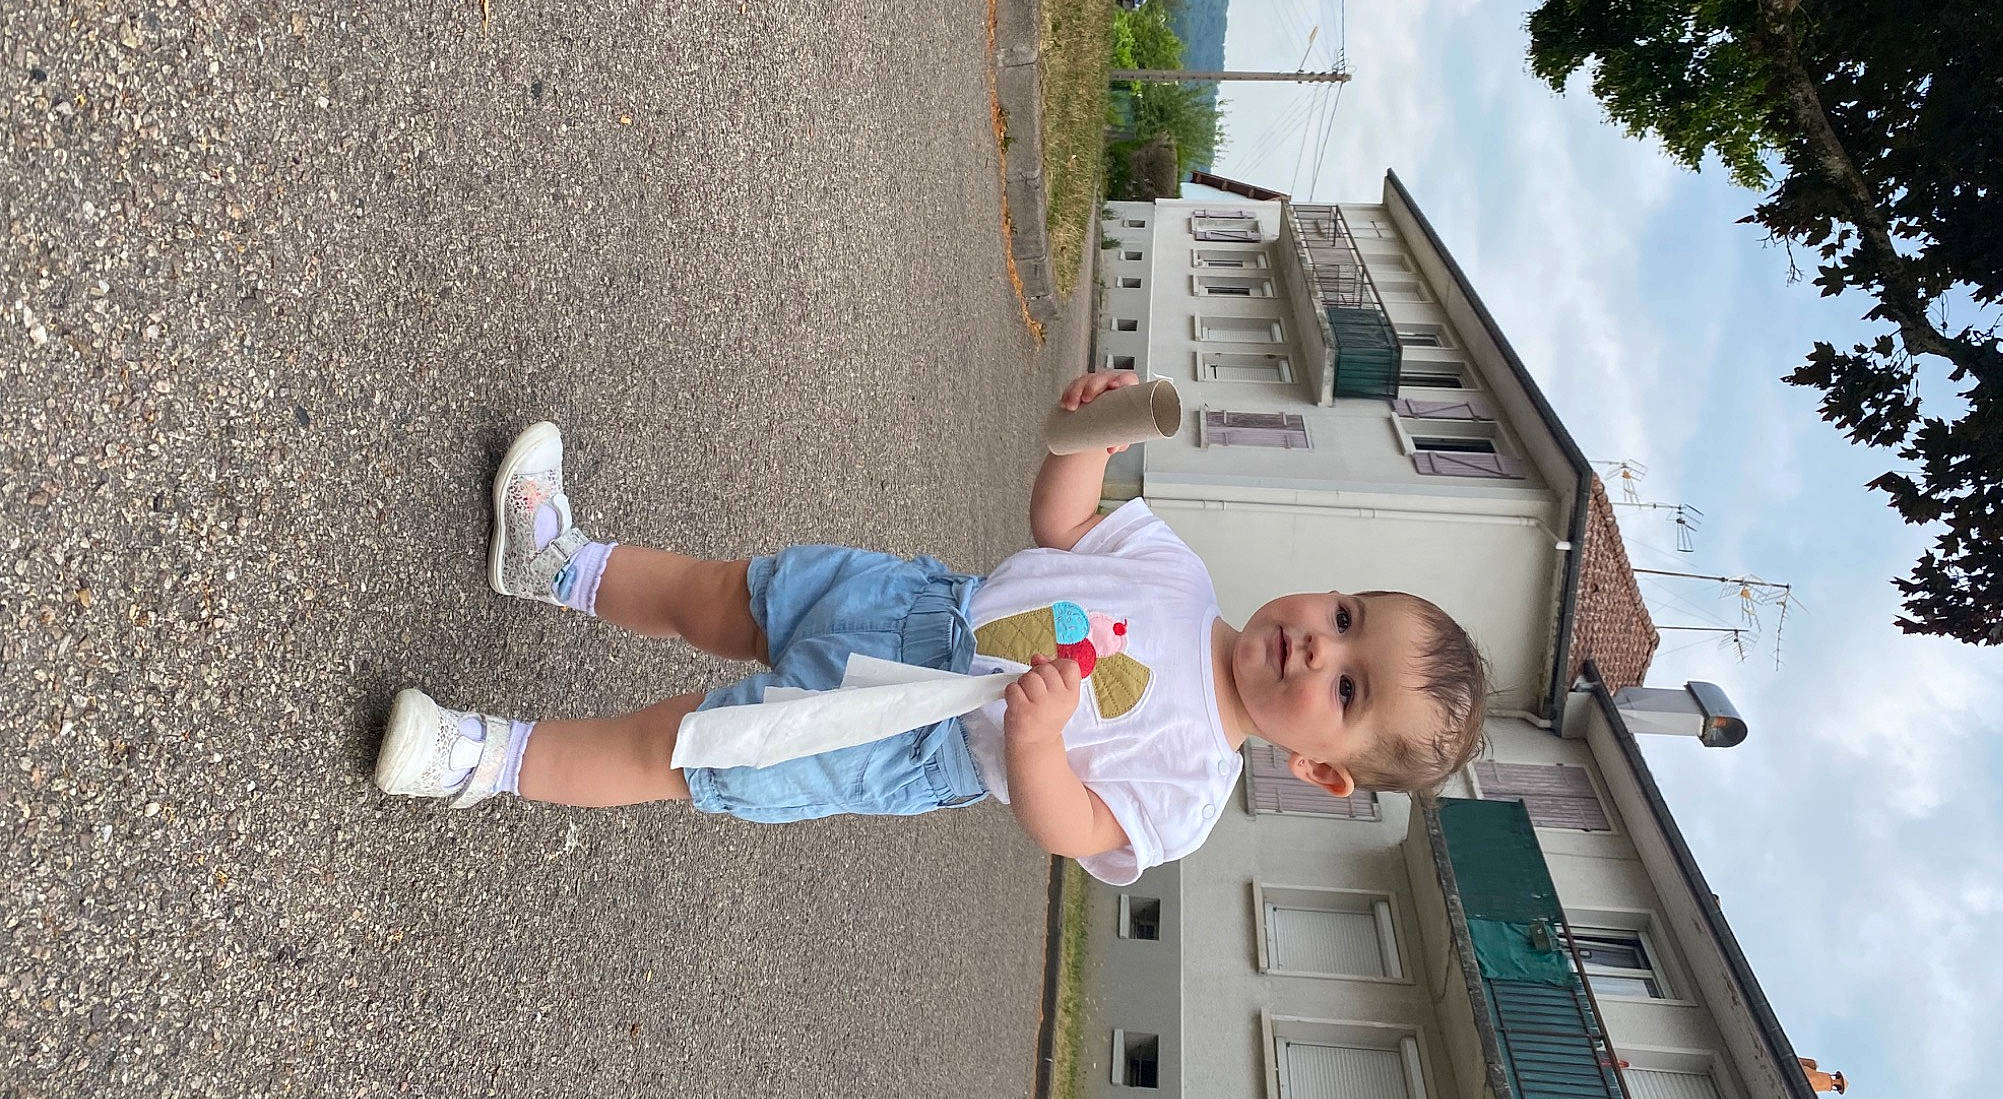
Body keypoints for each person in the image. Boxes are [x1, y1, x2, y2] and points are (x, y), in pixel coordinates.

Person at [375, 371, 1490, 883]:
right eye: (1343, 618)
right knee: (724, 598)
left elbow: (1068, 829)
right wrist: (1081, 444)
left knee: (684, 747)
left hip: (911, 732)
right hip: (918, 605)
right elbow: (1056, 528)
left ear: (1320, 769)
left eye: (1346, 689)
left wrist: (1041, 744)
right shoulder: (1177, 572)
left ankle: (479, 760)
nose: (1316, 647)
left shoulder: (1190, 788)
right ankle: (563, 565)